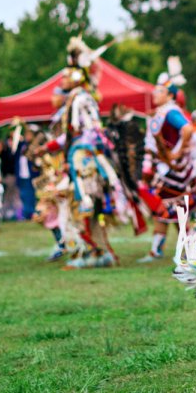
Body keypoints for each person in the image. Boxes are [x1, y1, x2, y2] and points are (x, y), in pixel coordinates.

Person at [58, 37, 141, 269]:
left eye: (65, 76)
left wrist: (65, 152)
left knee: (83, 204)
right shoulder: (85, 97)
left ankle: (92, 253)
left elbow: (75, 130)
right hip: (89, 154)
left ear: (76, 77)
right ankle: (101, 252)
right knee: (93, 208)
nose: (62, 80)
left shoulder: (78, 98)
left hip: (83, 156)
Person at [138, 58, 196, 263]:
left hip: (174, 171)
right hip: (169, 169)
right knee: (174, 212)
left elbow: (187, 129)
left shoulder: (171, 111)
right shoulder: (162, 112)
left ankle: (163, 251)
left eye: (159, 92)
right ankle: (188, 249)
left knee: (169, 211)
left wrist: (176, 152)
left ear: (170, 95)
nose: (155, 95)